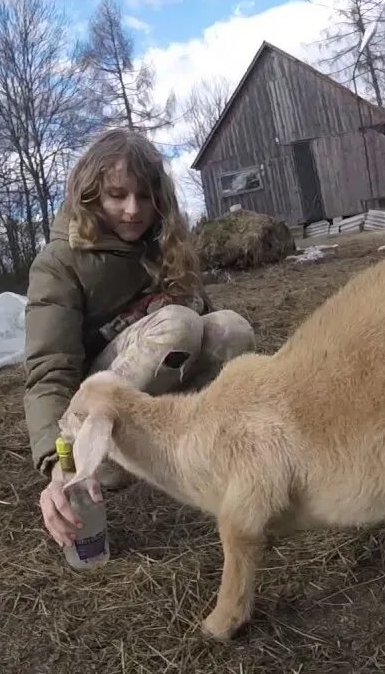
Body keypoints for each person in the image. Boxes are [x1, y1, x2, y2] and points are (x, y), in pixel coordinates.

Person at [23, 128, 255, 548]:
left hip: (152, 393)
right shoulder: (59, 262)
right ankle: (101, 463)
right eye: (117, 195)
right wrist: (58, 464)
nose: (133, 210)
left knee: (230, 328)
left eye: (145, 197)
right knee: (178, 324)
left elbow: (203, 324)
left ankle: (198, 447)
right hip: (91, 415)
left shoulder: (164, 244)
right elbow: (48, 370)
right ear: (91, 195)